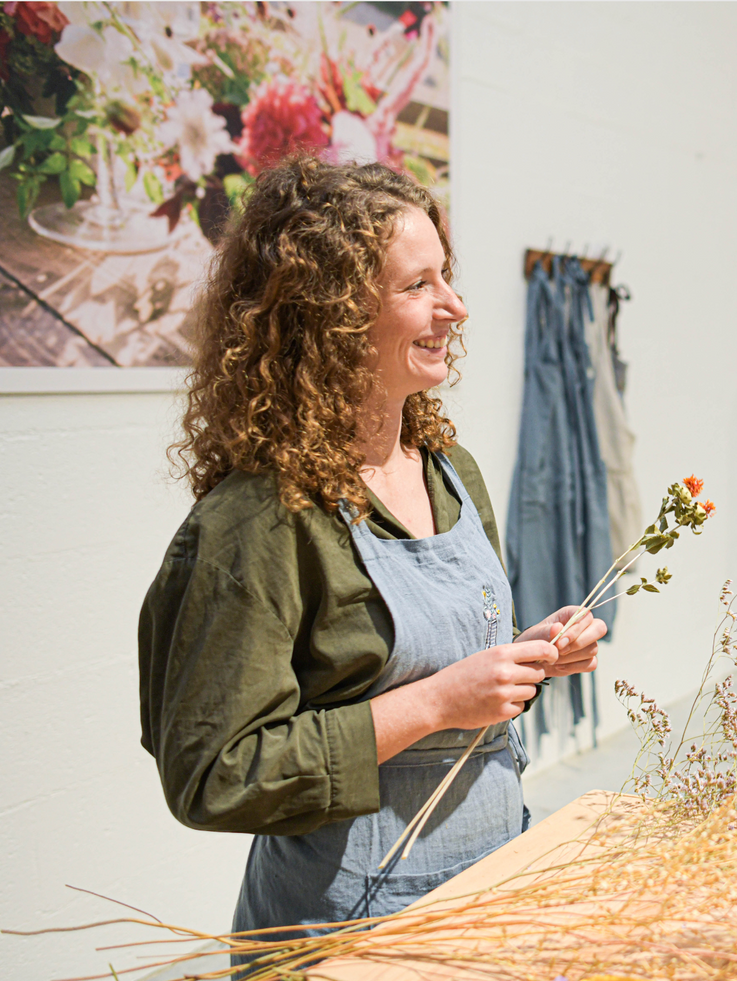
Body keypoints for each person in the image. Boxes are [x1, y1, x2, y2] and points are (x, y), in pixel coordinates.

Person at [138, 158, 605, 941]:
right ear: (330, 314)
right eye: (418, 285)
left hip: (486, 893)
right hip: (347, 931)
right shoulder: (258, 519)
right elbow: (214, 774)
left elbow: (445, 672)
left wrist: (525, 658)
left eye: (446, 276)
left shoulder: (451, 472)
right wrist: (436, 703)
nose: (455, 306)